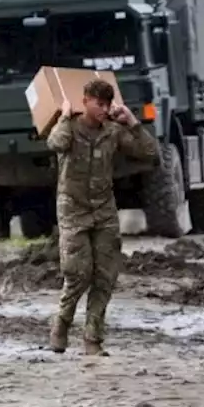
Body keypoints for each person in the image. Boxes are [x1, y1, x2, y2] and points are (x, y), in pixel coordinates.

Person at [46, 78, 160, 356]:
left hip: (104, 210)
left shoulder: (113, 132)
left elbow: (151, 154)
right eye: (98, 103)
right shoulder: (69, 128)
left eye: (107, 104)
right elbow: (56, 144)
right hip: (73, 210)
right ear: (85, 101)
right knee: (78, 273)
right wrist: (63, 115)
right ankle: (61, 324)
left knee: (105, 275)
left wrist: (132, 122)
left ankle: (92, 338)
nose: (103, 109)